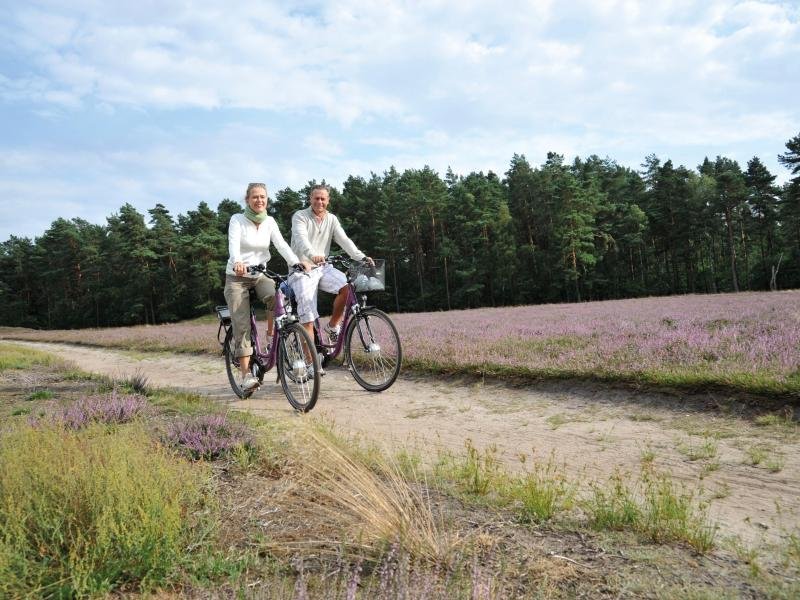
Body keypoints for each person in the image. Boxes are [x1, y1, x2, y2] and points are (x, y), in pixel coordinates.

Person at [224, 183, 309, 391]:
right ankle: (246, 375)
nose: (259, 200)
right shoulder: (237, 219)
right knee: (241, 323)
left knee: (278, 298)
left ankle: (273, 340)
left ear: (267, 200)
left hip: (260, 275)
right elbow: (233, 244)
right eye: (255, 197)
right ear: (247, 200)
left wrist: (296, 262)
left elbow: (281, 245)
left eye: (263, 197)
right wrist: (237, 261)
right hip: (237, 276)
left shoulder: (270, 221)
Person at [289, 184, 373, 350]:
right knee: (308, 317)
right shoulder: (300, 216)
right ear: (310, 199)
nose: (319, 201)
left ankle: (333, 326)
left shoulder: (332, 219)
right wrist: (313, 255)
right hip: (302, 270)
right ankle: (311, 365)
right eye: (316, 198)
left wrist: (361, 256)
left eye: (323, 198)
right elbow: (301, 239)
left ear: (328, 200)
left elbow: (344, 240)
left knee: (348, 287)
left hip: (323, 267)